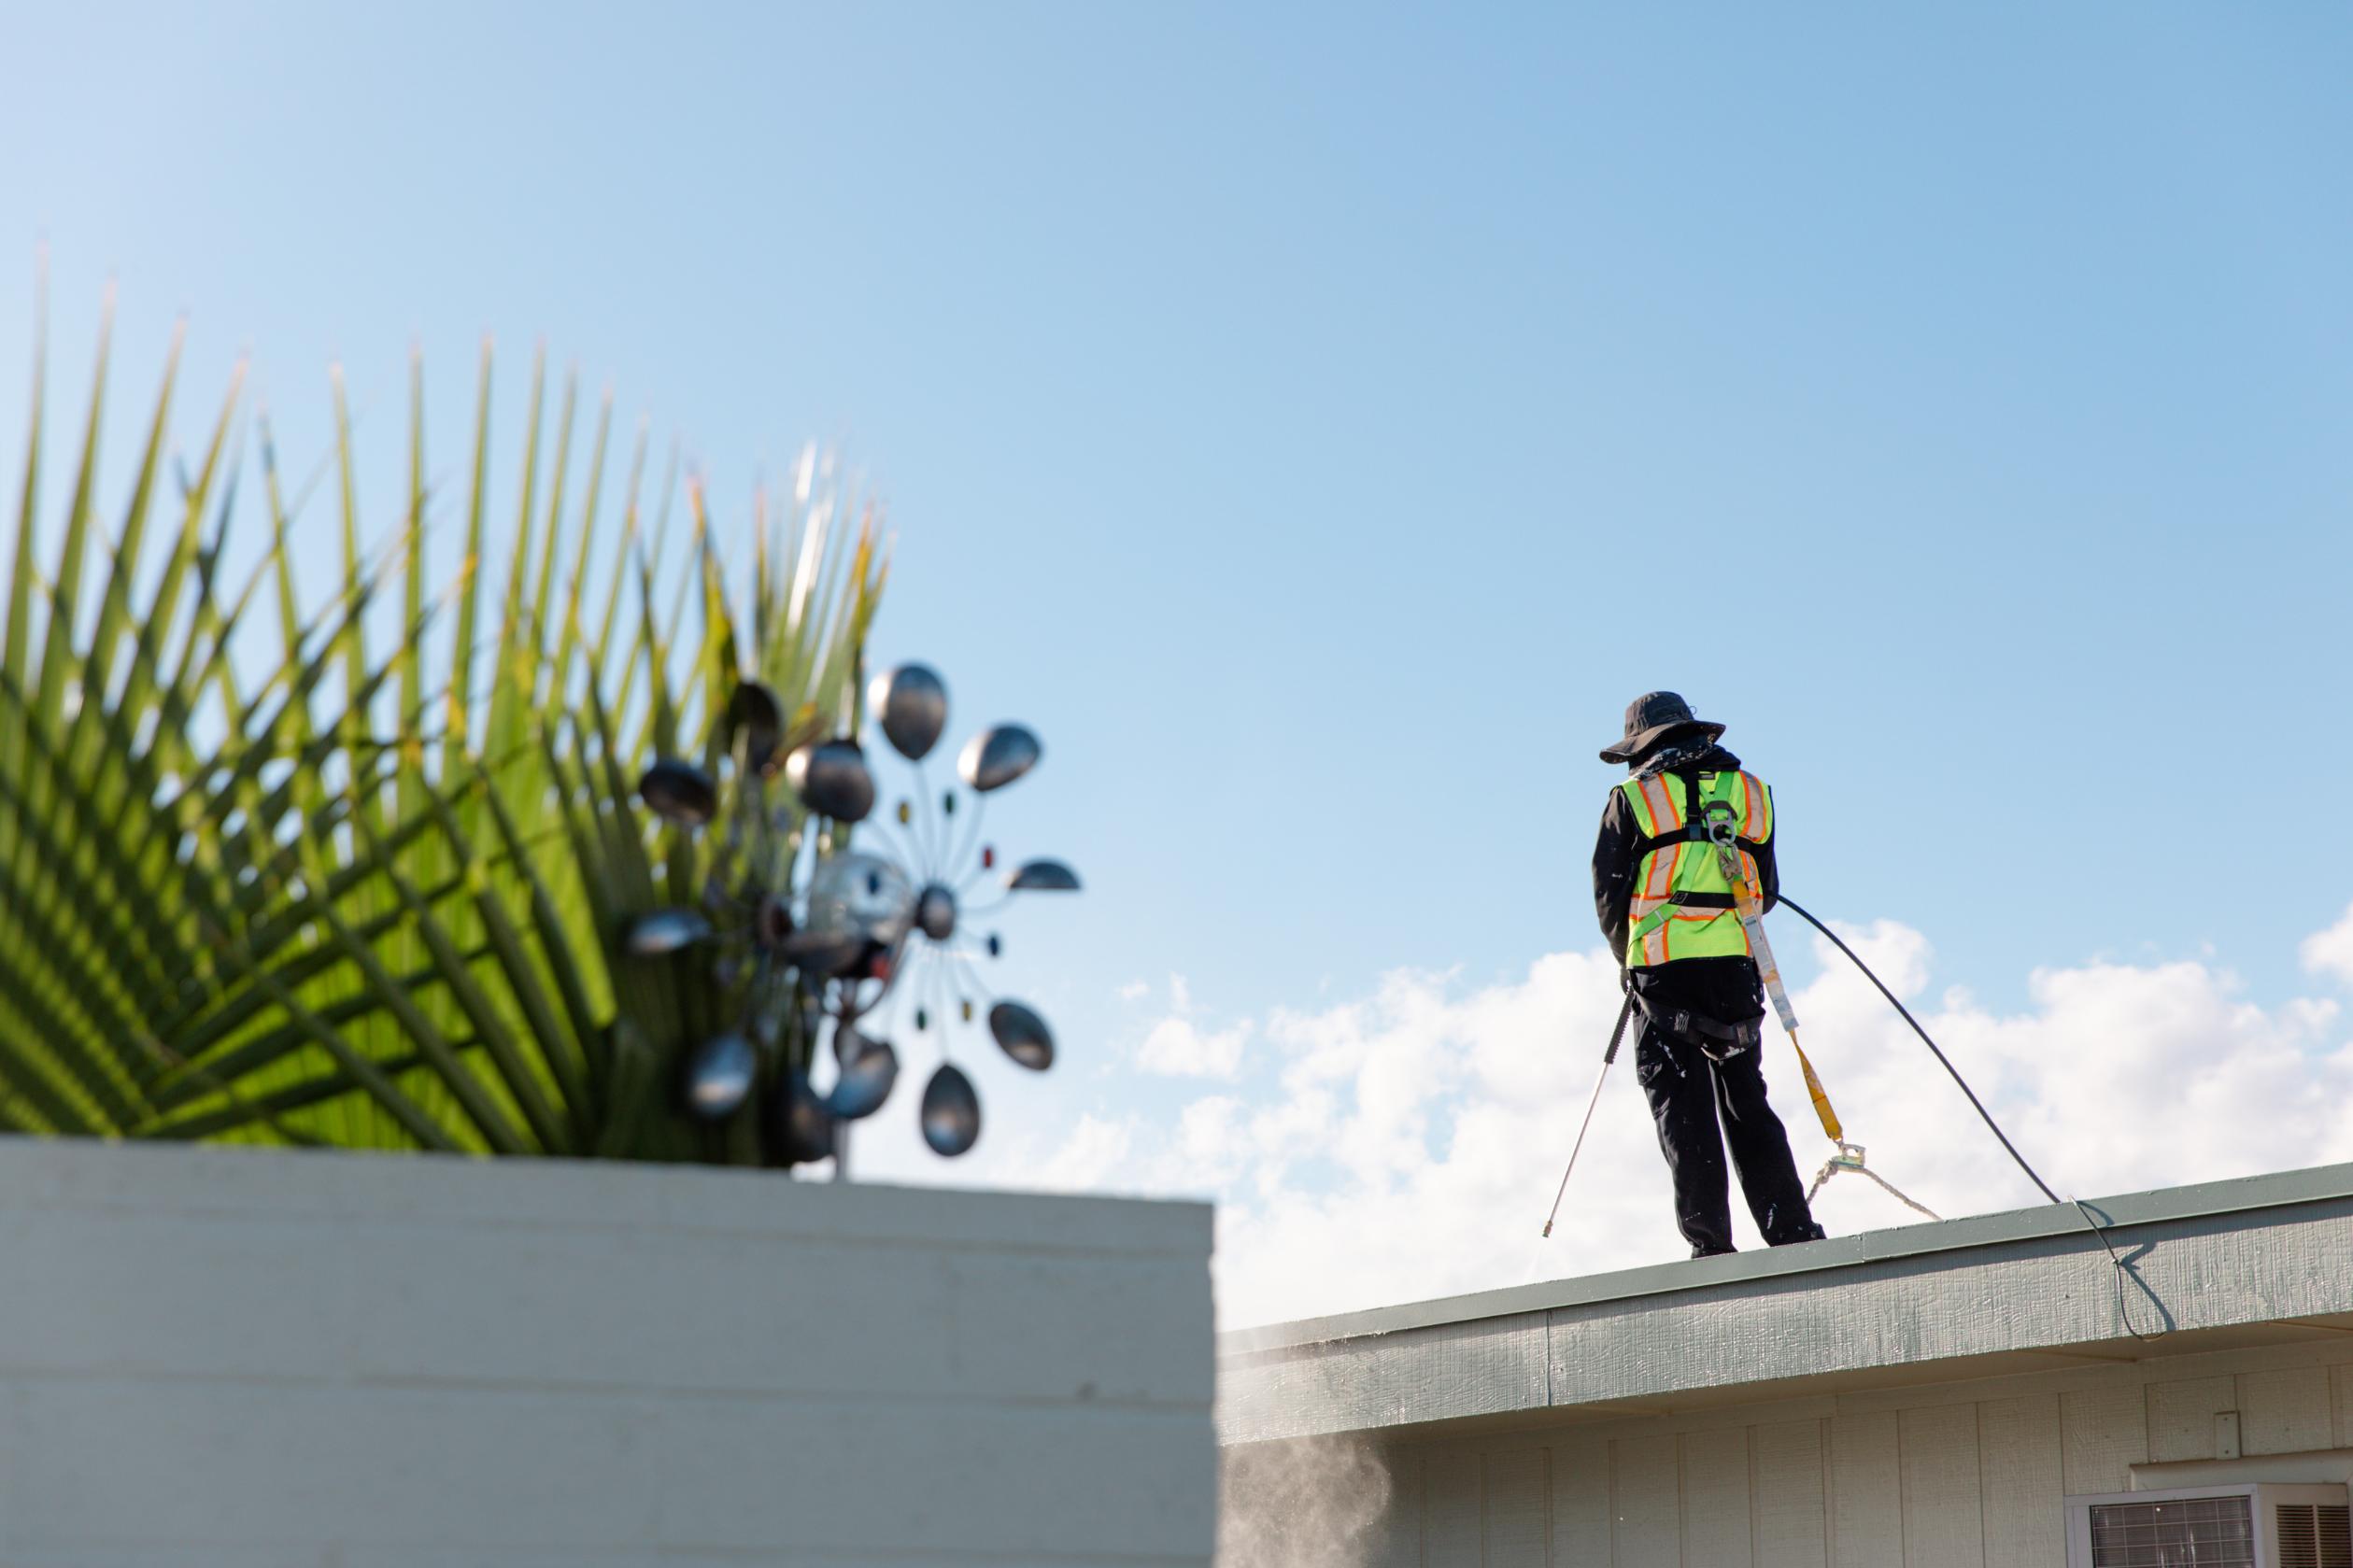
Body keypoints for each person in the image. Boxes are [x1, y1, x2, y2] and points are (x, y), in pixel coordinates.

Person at [1590, 691, 1826, 1258]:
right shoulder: (1751, 793)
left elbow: (1609, 899)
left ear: (1642, 747)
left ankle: (1712, 1247)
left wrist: (1633, 961)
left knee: (1683, 1107)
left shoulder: (1633, 798)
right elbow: (1764, 894)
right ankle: (1791, 1233)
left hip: (1663, 975)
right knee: (1747, 1101)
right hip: (1737, 973)